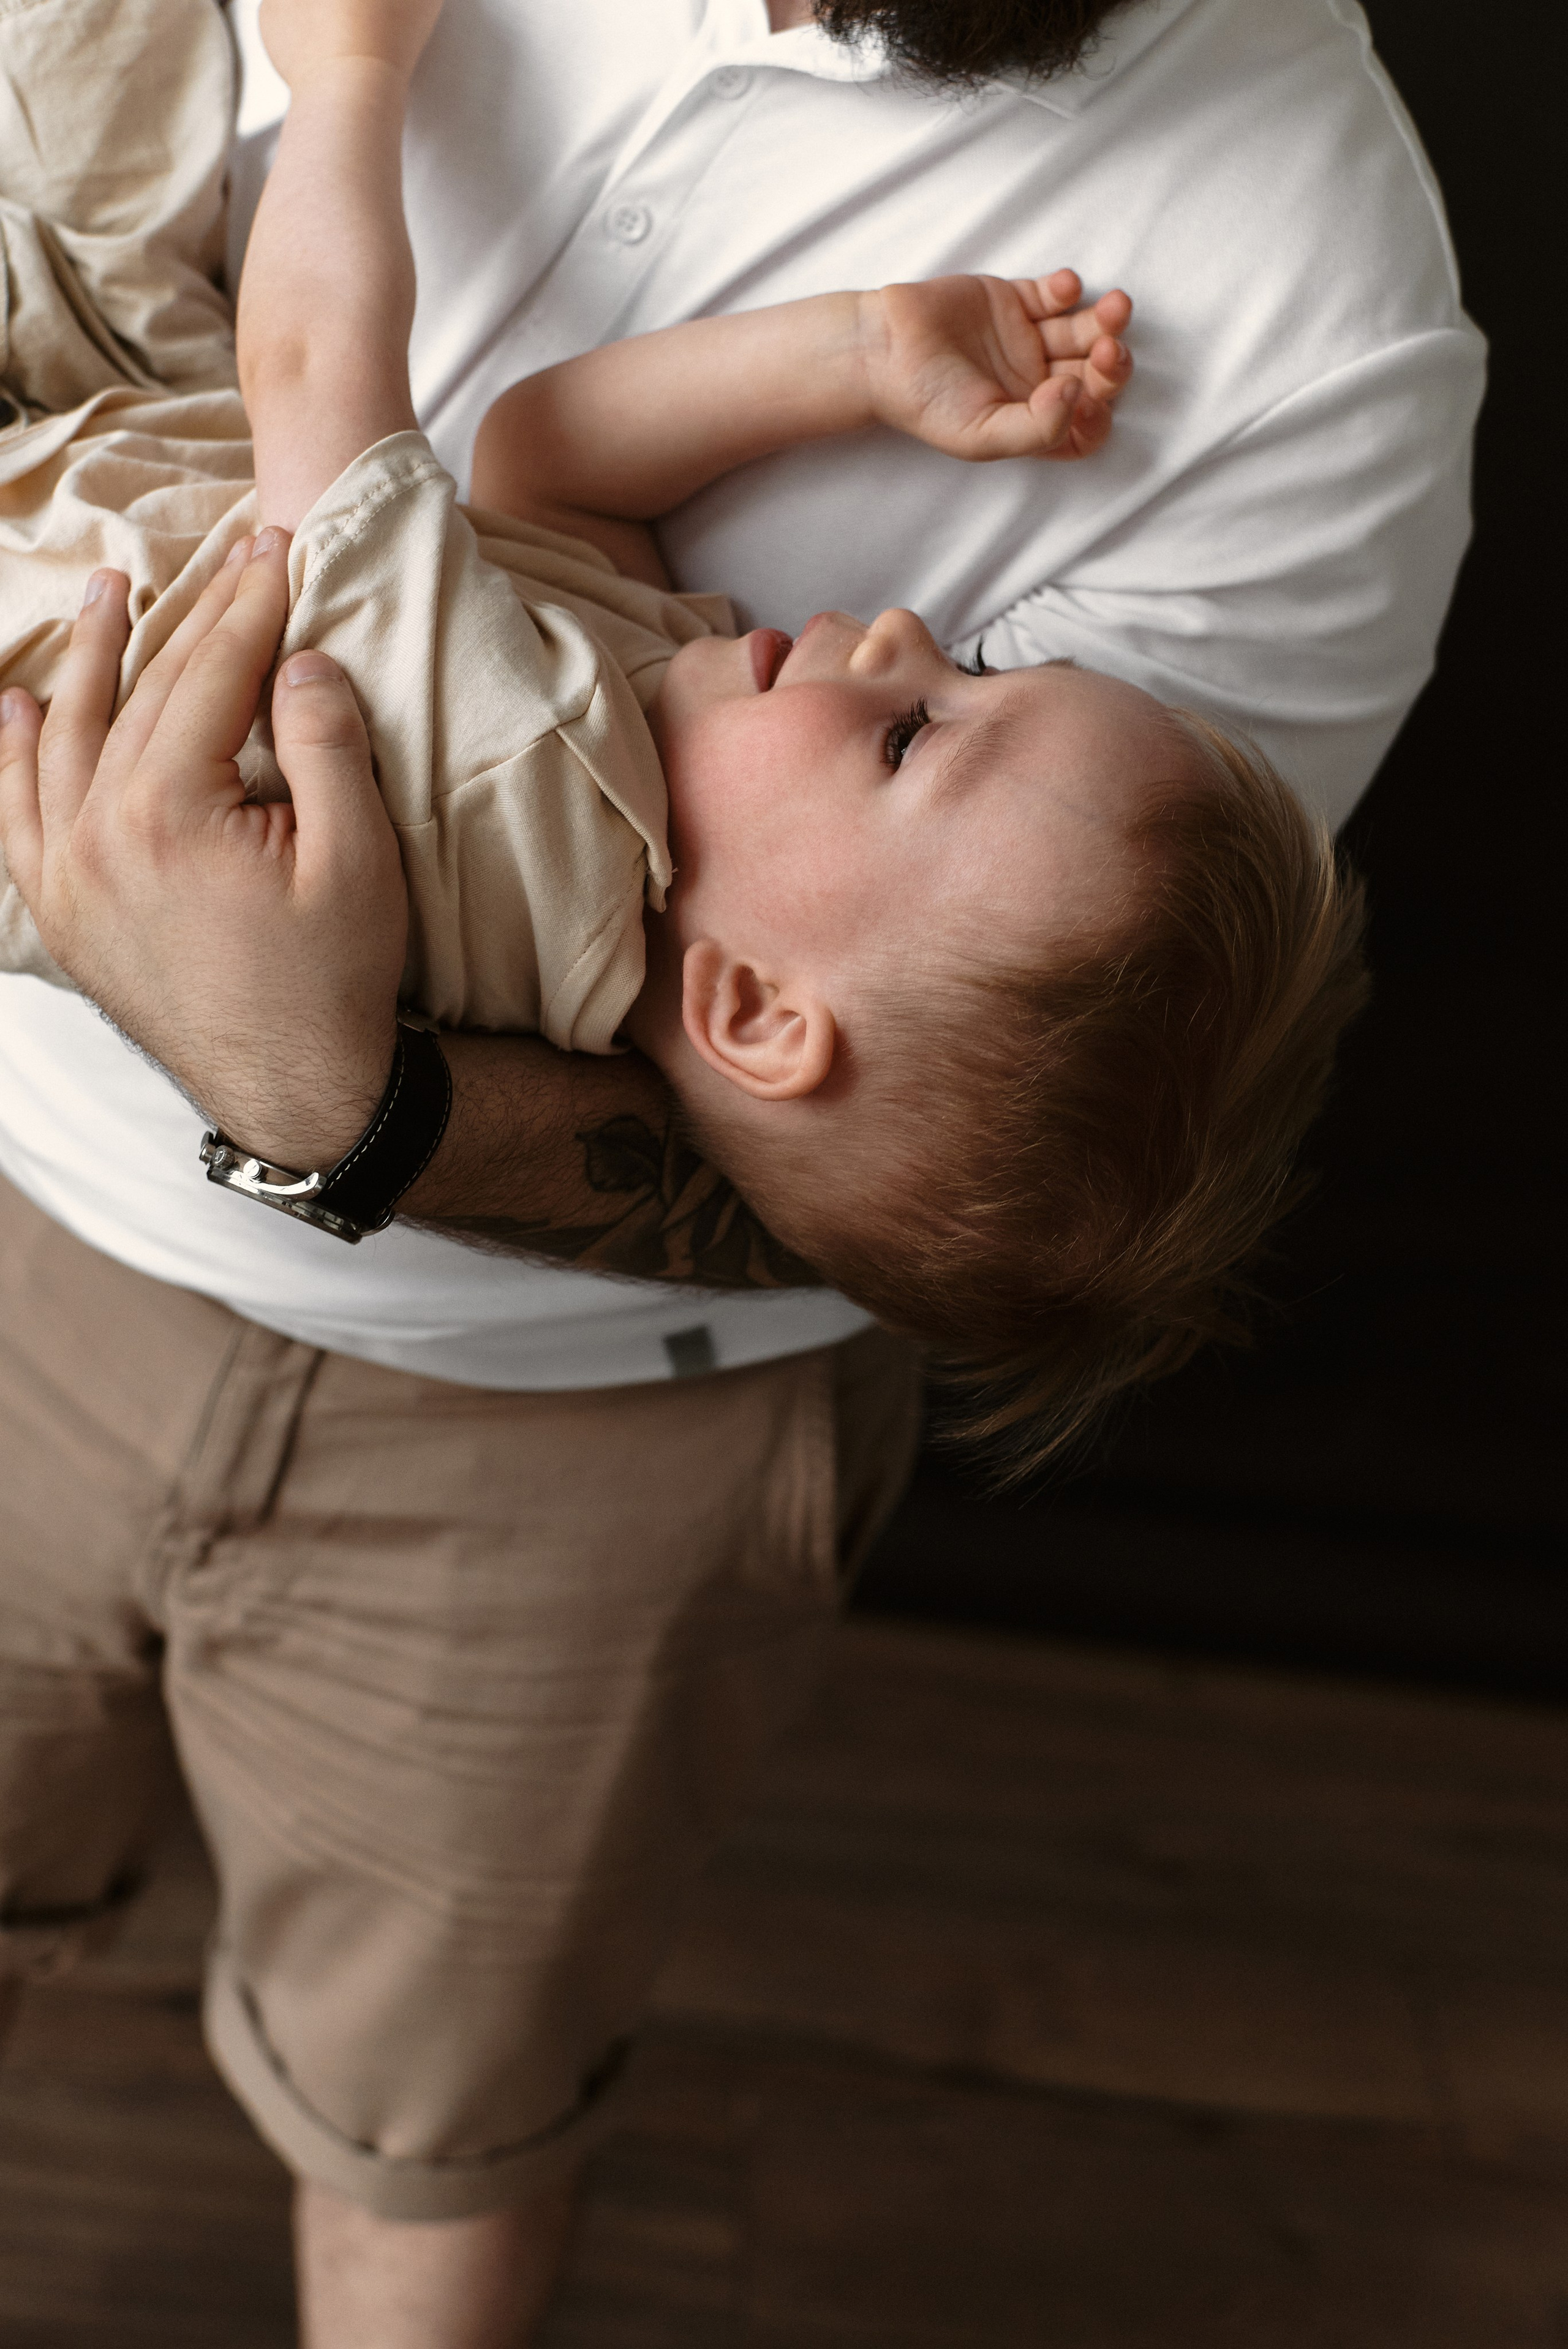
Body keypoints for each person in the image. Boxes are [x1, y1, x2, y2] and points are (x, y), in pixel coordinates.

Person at [0, 1, 1479, 2340]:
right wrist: (850, 359)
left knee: (438, 2119)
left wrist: (358, 83)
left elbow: (325, 394)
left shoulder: (1318, 327)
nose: (900, 639)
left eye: (926, 718)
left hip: (575, 1450)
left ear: (749, 1018)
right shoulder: (690, 707)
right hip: (31, 1193)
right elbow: (545, 455)